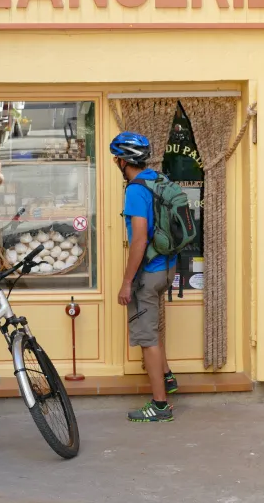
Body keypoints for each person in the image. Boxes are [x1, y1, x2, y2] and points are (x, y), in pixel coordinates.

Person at [111, 131, 178, 422]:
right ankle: (167, 378)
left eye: (117, 158)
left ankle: (160, 406)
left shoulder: (136, 190)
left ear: (123, 161)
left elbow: (139, 240)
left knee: (147, 336)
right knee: (154, 327)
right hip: (168, 267)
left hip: (148, 273)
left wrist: (127, 282)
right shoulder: (159, 179)